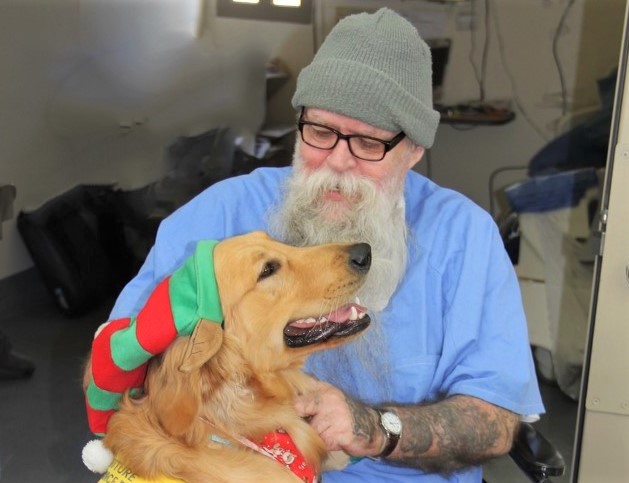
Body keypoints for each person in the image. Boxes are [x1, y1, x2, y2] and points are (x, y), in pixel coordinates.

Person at [104, 8, 544, 482]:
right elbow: (124, 366)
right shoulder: (219, 215)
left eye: (369, 143)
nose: (337, 163)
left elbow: (496, 423)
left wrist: (375, 428)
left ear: (414, 150)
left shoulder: (464, 238)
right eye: (319, 132)